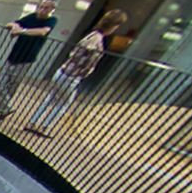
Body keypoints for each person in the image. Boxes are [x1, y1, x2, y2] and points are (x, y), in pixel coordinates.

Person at [26, 9, 128, 137]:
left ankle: (32, 122)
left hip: (63, 71)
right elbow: (87, 62)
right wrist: (85, 72)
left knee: (50, 98)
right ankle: (44, 127)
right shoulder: (97, 41)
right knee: (64, 104)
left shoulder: (91, 35)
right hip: (71, 76)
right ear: (113, 26)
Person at [0, 0, 60, 123]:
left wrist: (22, 31)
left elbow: (43, 31)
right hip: (13, 56)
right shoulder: (31, 17)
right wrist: (15, 27)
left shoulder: (51, 20)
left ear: (52, 9)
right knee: (0, 85)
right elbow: (11, 24)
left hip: (26, 59)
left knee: (11, 87)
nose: (41, 10)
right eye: (41, 6)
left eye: (46, 8)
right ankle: (5, 108)